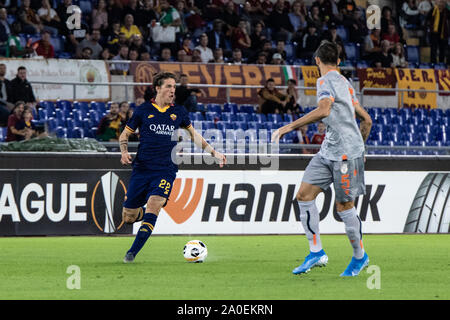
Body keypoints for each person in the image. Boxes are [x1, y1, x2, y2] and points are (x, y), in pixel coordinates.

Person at [271, 40, 373, 277]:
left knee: (344, 206)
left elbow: (324, 109)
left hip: (345, 155)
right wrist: (362, 147)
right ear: (338, 61)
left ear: (317, 60)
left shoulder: (324, 81)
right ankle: (316, 252)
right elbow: (366, 119)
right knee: (304, 196)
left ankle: (360, 257)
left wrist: (288, 127)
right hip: (329, 151)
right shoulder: (346, 84)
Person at [119, 71, 226, 263]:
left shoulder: (179, 112)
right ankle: (143, 214)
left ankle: (131, 253)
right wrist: (124, 151)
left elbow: (194, 136)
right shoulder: (143, 110)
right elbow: (124, 135)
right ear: (157, 88)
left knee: (155, 204)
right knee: (128, 217)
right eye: (168, 86)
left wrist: (214, 152)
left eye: (174, 87)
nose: (172, 90)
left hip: (166, 169)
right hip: (142, 169)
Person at [427, 0, 448, 64]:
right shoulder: (433, 10)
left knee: (442, 49)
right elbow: (427, 19)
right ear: (436, 2)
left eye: (442, 2)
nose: (441, 3)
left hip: (443, 33)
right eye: (440, 2)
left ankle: (441, 63)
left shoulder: (446, 11)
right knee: (433, 49)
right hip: (434, 33)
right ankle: (433, 63)